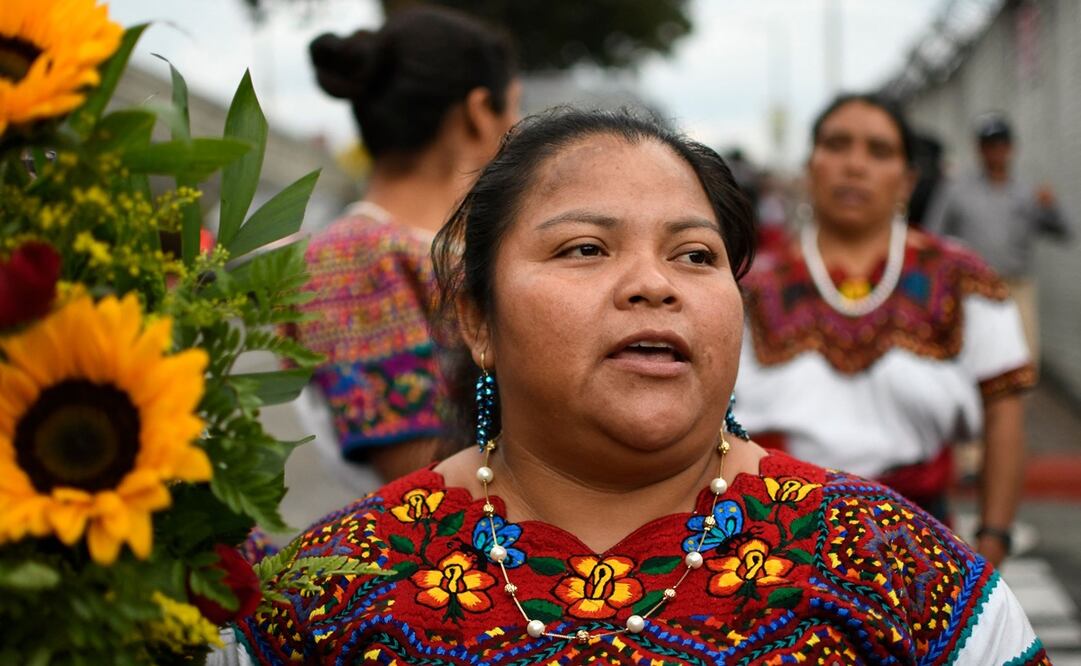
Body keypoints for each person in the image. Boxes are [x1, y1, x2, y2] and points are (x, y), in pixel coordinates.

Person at [232, 109, 1048, 664]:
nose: (653, 285)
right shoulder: (327, 590)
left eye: (694, 256)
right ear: (476, 318)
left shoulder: (898, 571)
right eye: (585, 248)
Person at [736, 93, 1035, 568]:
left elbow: (1004, 406)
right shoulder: (751, 288)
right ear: (810, 166)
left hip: (921, 547)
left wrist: (992, 541)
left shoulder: (961, 277)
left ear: (907, 179)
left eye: (878, 151)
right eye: (837, 145)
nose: (855, 165)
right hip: (779, 551)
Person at [296, 6, 520, 486]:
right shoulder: (354, 257)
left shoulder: (470, 246)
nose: (519, 128)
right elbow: (417, 475)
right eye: (513, 108)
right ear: (480, 113)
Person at [925, 113, 1072, 365]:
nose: (995, 151)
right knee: (972, 356)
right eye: (989, 145)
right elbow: (932, 235)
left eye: (1001, 144)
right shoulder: (956, 189)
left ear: (1011, 148)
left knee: (1021, 360)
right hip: (970, 288)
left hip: (1015, 288)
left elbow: (1063, 231)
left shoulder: (1026, 193)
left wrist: (1052, 207)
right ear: (979, 149)